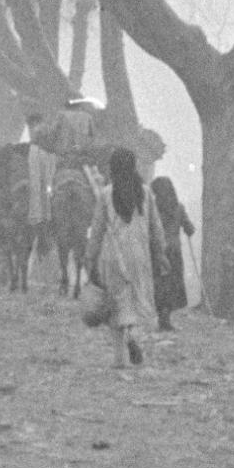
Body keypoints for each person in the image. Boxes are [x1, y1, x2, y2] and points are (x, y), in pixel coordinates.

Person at [85, 147, 168, 368]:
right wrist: (160, 253)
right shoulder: (146, 193)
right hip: (140, 257)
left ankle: (119, 357)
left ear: (111, 168)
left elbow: (97, 229)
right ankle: (133, 334)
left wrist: (90, 257)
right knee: (135, 300)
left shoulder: (105, 194)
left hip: (113, 257)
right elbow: (156, 227)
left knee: (116, 304)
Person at [149, 176, 195, 332]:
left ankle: (160, 314)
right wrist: (188, 229)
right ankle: (166, 317)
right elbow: (189, 228)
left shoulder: (152, 208)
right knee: (172, 284)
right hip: (174, 251)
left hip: (157, 251)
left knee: (159, 283)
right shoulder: (179, 207)